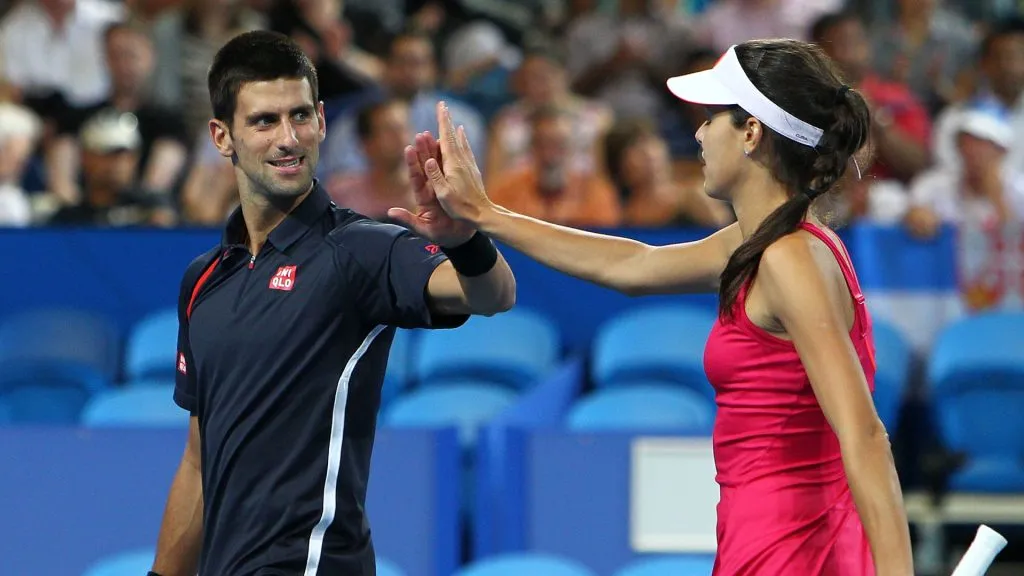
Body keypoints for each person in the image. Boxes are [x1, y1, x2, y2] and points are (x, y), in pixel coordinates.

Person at [411, 38, 913, 575]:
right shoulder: (764, 243)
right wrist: (486, 215)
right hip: (761, 540)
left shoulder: (790, 258)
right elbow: (633, 267)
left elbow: (863, 434)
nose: (697, 133)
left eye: (711, 118)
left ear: (751, 132)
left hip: (798, 552)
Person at [148, 30, 516, 576]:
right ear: (221, 137)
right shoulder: (203, 280)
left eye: (300, 116)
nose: (287, 138)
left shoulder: (361, 249)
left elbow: (490, 294)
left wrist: (466, 238)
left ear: (322, 120)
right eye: (264, 121)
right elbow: (199, 464)